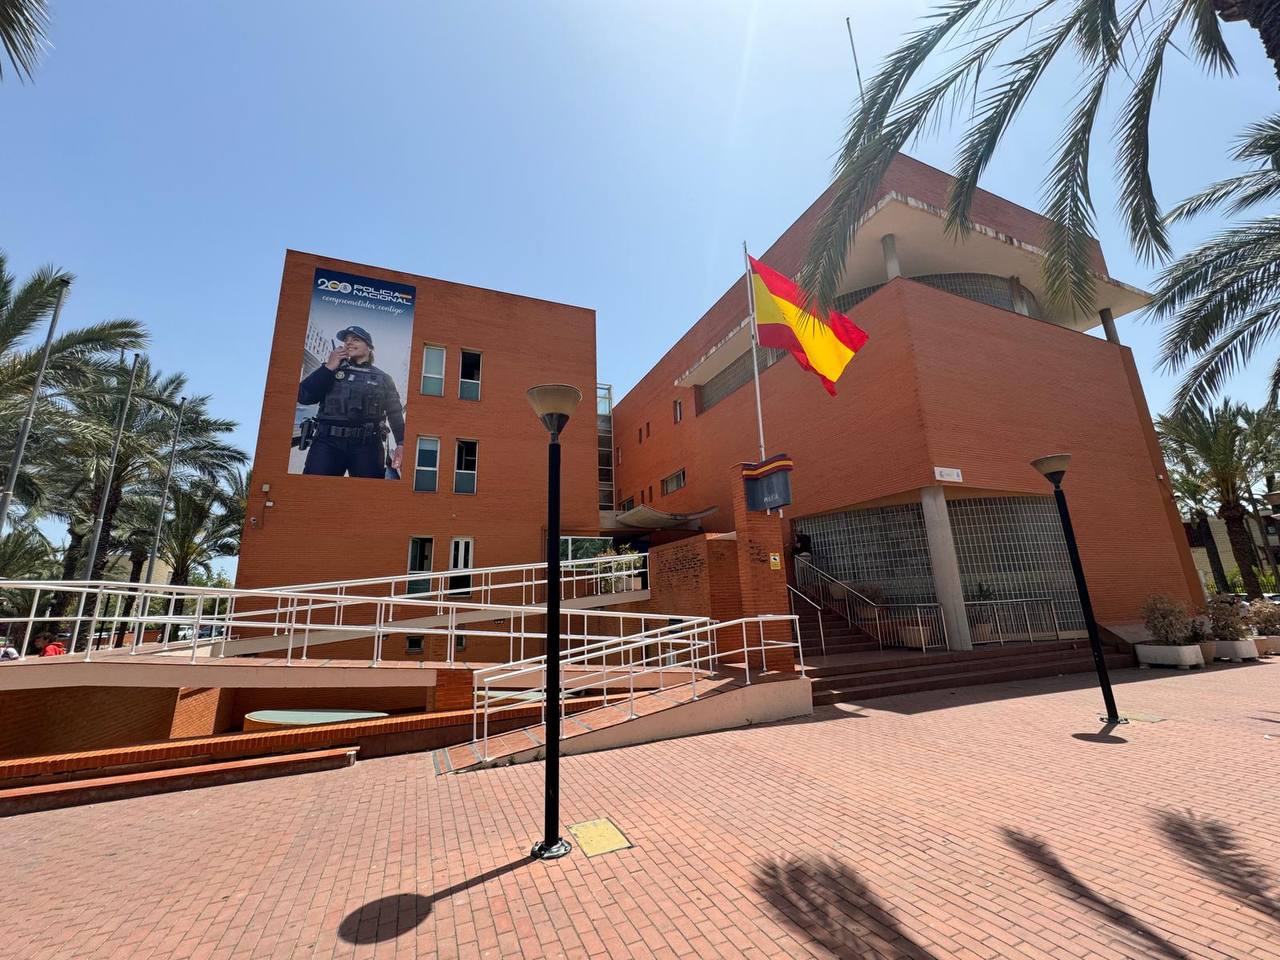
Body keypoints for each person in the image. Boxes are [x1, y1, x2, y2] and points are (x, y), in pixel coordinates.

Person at [297, 326, 405, 478]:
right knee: (315, 490)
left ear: (369, 347)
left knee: (368, 492)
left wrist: (401, 443)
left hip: (367, 445)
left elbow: (395, 413)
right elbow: (303, 396)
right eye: (346, 340)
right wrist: (329, 367)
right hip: (327, 443)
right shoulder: (331, 369)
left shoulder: (384, 378)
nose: (349, 343)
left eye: (356, 340)